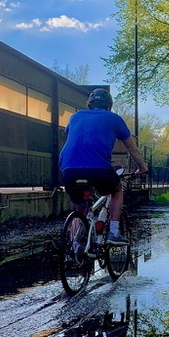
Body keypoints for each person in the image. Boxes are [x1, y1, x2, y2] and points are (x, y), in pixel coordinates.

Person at [59, 88, 147, 244]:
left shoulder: (75, 117)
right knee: (117, 190)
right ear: (108, 105)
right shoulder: (114, 119)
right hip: (98, 168)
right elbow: (132, 148)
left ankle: (74, 244)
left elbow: (71, 138)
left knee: (80, 207)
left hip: (68, 168)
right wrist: (142, 167)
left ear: (90, 104)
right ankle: (113, 232)